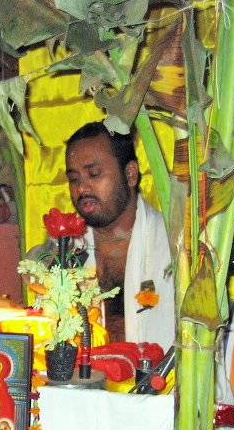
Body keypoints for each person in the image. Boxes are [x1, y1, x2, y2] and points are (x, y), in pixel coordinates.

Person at [62, 122, 175, 352]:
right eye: (74, 178)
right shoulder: (66, 249)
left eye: (94, 174)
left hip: (165, 383)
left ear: (130, 174)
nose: (82, 188)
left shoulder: (173, 244)